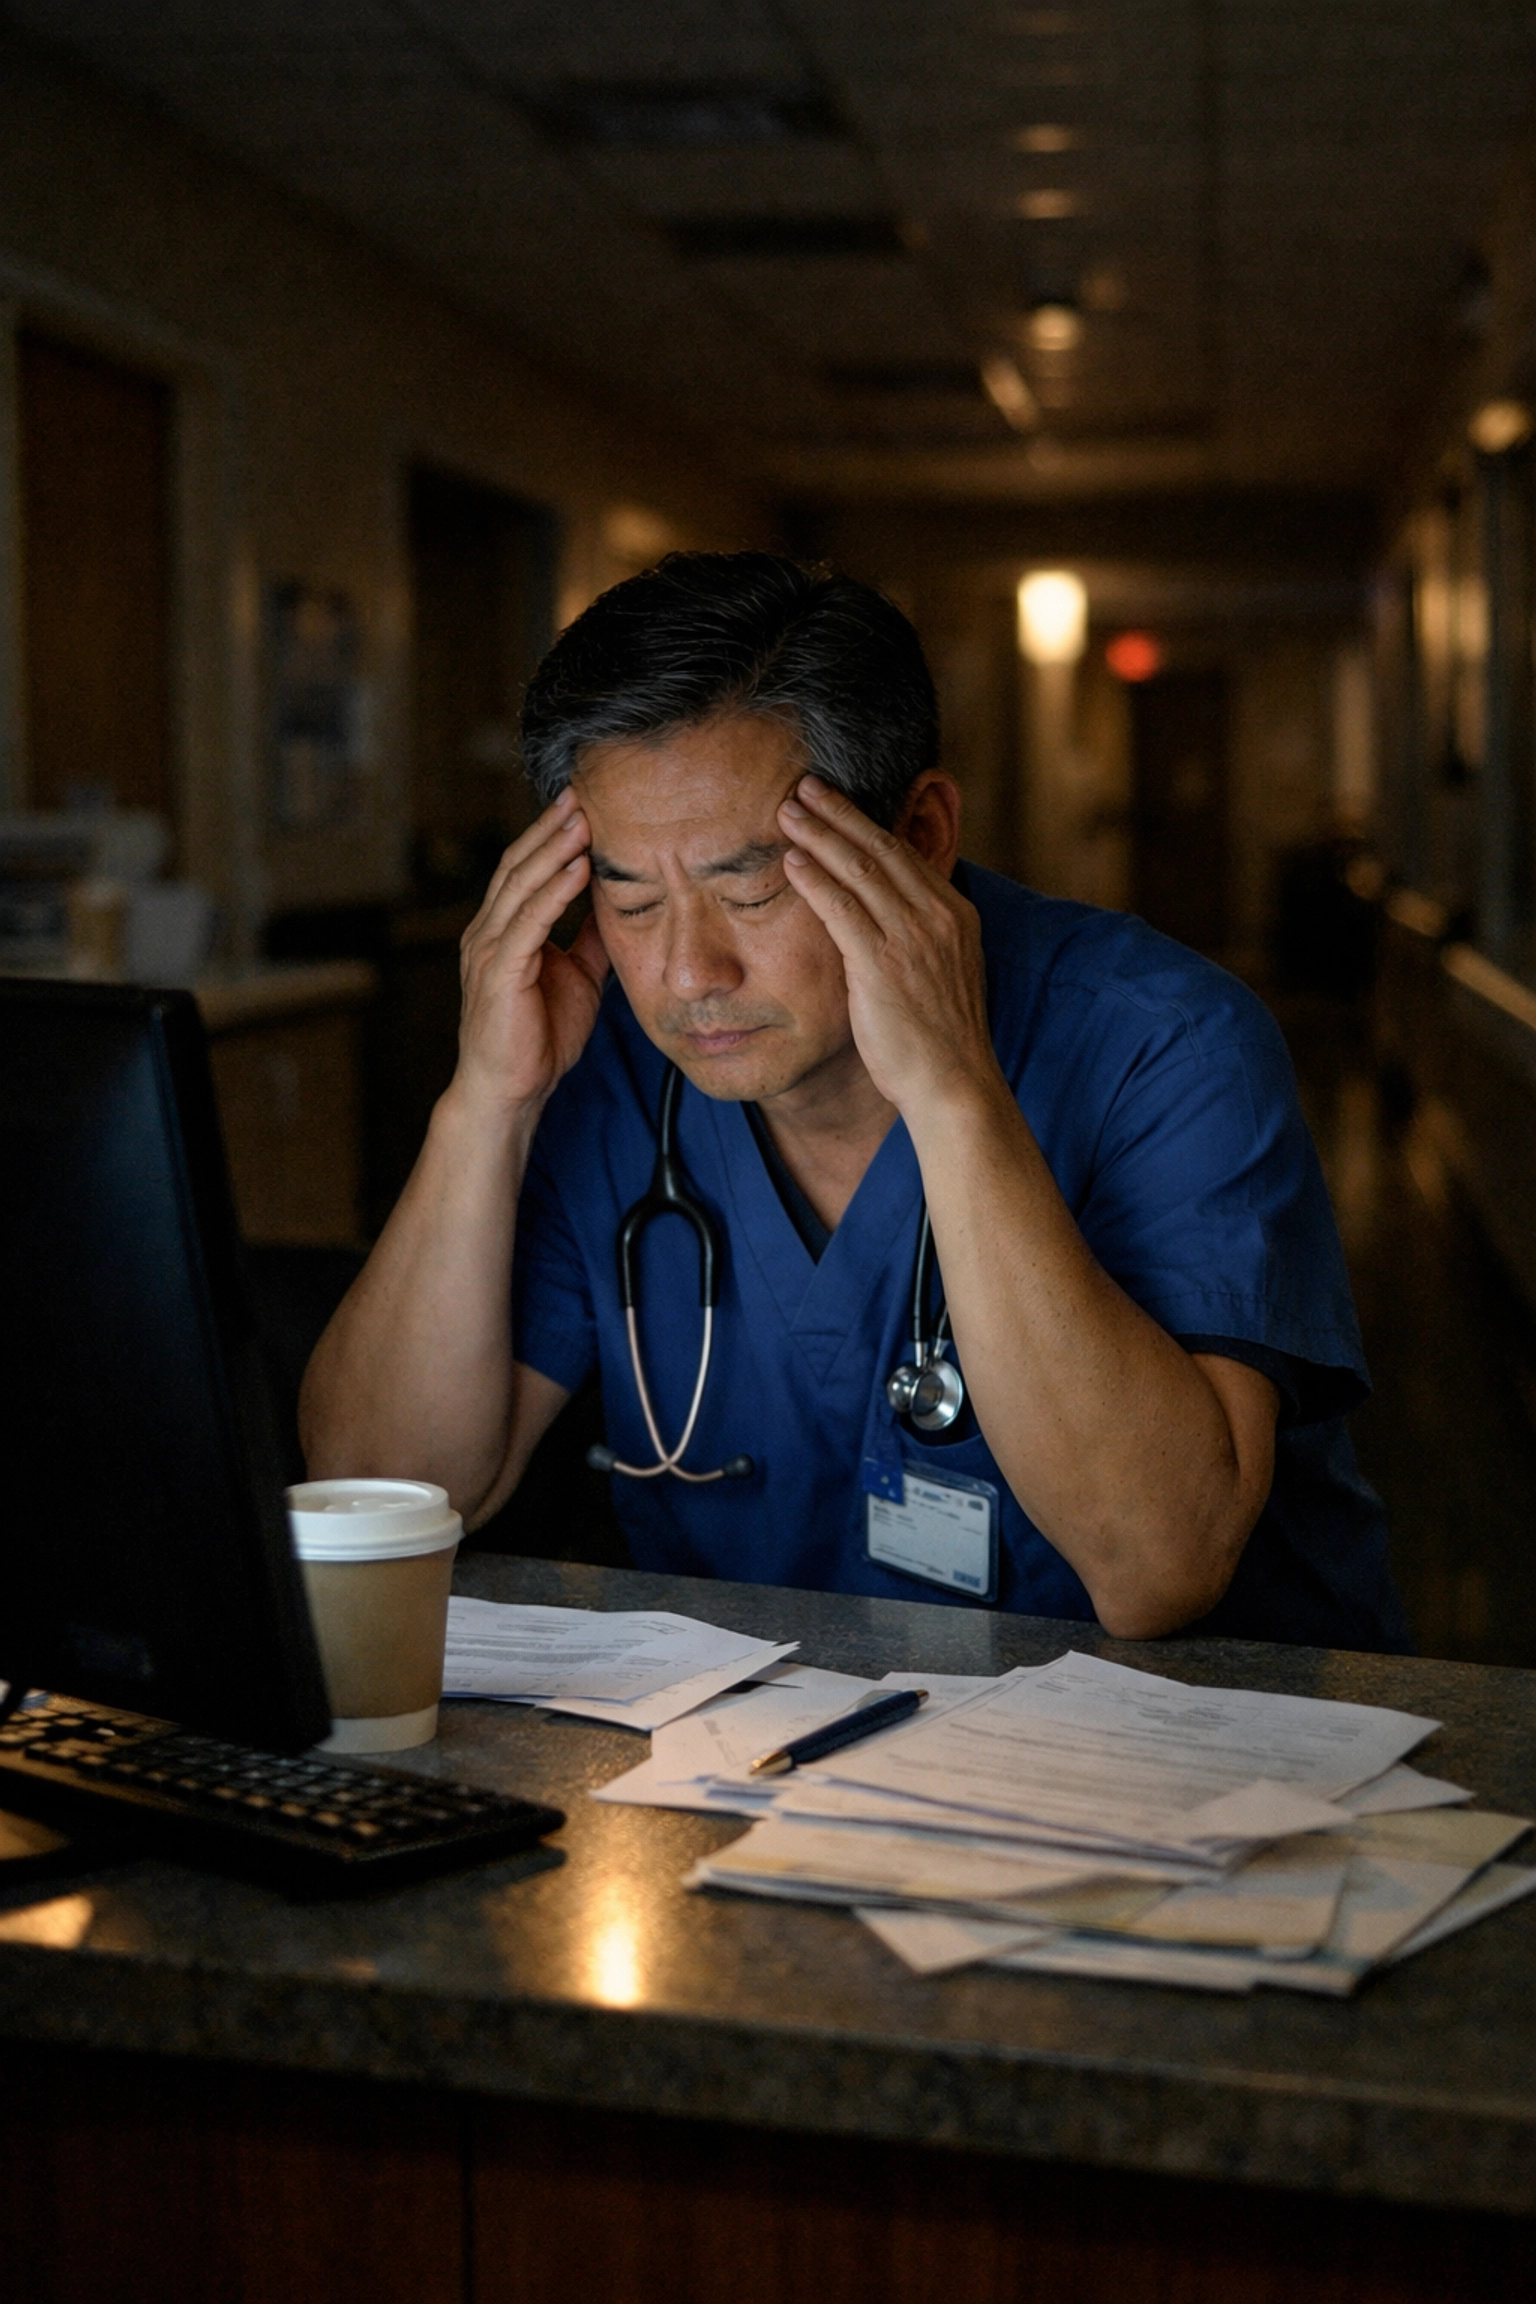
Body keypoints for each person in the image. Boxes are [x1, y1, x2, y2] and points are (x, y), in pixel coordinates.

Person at [301, 552, 1408, 1649]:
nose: (690, 974)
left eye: (751, 887)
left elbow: (1158, 1569)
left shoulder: (1162, 1042)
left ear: (920, 835)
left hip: (1202, 1772)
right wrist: (484, 1104)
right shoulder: (606, 1069)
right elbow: (380, 1494)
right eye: (631, 901)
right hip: (759, 1769)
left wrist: (952, 1091)